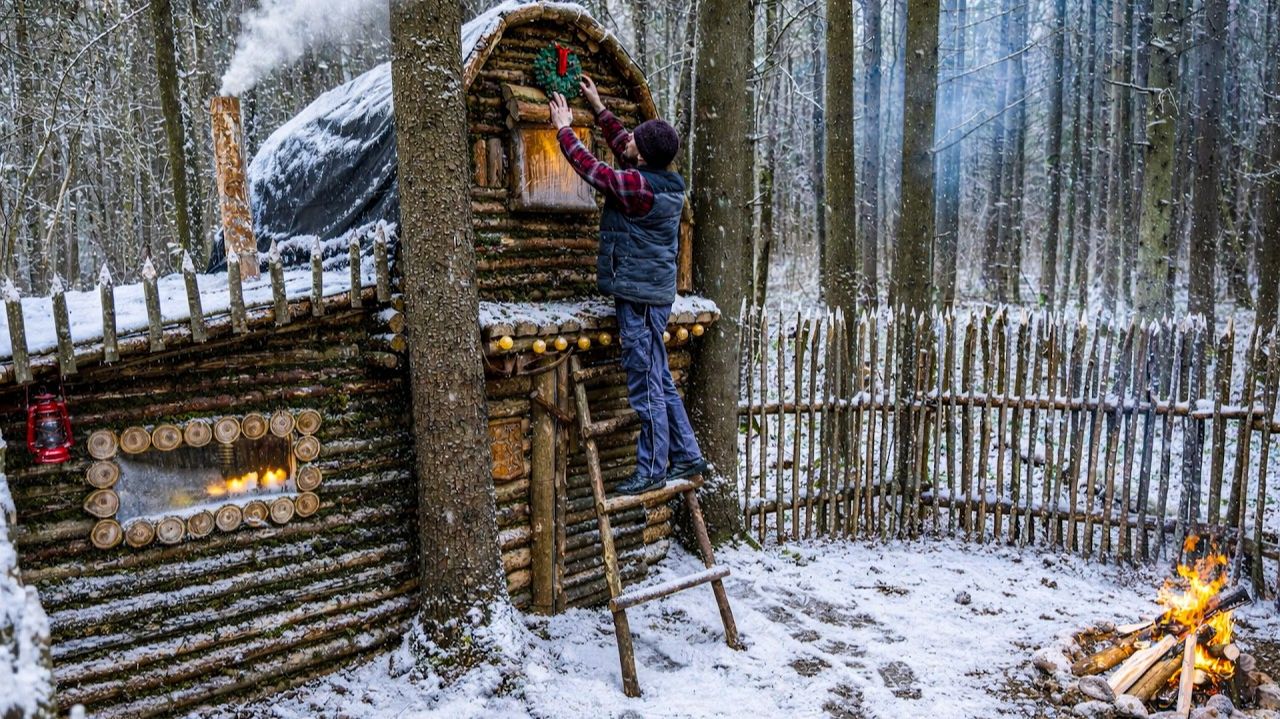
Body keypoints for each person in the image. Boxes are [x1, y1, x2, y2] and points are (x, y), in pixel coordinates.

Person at [549, 76, 709, 496]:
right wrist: (598, 105)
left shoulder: (638, 189)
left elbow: (595, 170)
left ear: (646, 156)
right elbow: (625, 144)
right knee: (659, 375)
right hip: (652, 296)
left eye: (636, 141)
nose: (628, 143)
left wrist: (564, 129)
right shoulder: (664, 181)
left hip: (637, 299)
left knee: (645, 384)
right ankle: (688, 452)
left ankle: (652, 467)